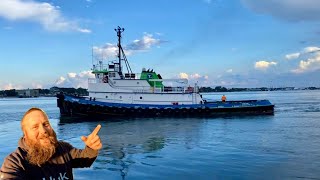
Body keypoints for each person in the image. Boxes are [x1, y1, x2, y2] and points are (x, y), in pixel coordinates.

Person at [0, 107, 102, 180]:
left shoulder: (64, 149)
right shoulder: (15, 161)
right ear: (25, 135)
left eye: (46, 124)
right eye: (35, 127)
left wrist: (91, 148)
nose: (43, 130)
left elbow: (84, 160)